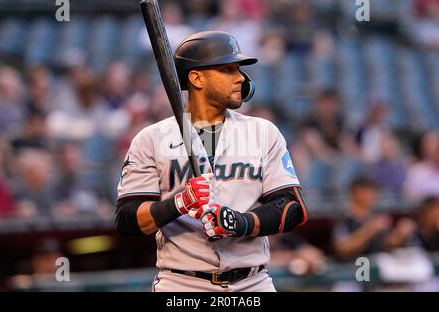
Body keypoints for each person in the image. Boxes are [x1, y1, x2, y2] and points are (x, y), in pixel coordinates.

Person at [115, 31, 308, 292]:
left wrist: (239, 222)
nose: (240, 77)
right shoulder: (151, 138)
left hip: (253, 284)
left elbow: (292, 208)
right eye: (228, 69)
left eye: (238, 69)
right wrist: (179, 203)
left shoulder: (263, 132)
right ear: (196, 78)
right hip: (182, 284)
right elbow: (128, 221)